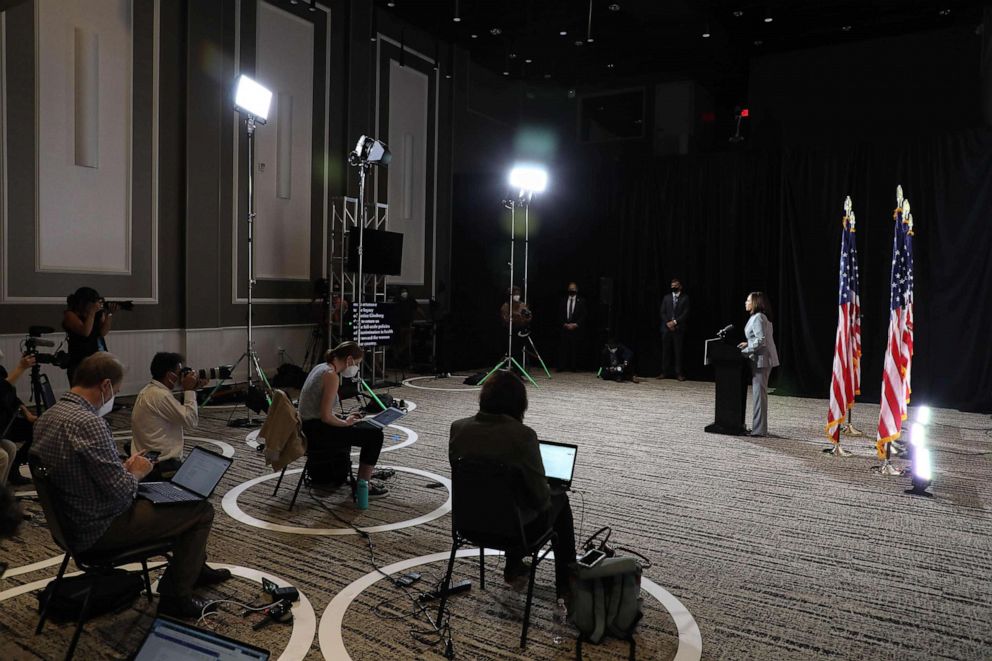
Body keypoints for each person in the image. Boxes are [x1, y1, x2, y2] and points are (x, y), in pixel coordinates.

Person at [31, 352, 230, 617]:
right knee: (200, 509)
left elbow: (84, 472)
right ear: (104, 386)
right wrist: (134, 473)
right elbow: (122, 493)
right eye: (115, 390)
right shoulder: (89, 423)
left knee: (173, 498)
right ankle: (176, 596)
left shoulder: (48, 416)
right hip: (99, 528)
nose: (114, 395)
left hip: (70, 523)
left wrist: (122, 468)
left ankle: (193, 569)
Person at [449, 370, 577, 598]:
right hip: (513, 532)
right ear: (520, 403)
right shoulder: (523, 436)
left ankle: (514, 567)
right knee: (559, 501)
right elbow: (540, 500)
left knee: (505, 496)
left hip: (467, 524)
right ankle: (566, 584)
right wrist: (549, 490)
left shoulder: (458, 428)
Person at [298, 341, 389, 496]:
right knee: (375, 436)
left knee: (364, 429)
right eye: (357, 363)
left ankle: (358, 480)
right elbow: (326, 417)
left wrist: (344, 418)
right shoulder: (331, 376)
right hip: (317, 433)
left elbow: (319, 410)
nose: (356, 368)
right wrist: (345, 422)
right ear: (349, 360)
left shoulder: (320, 368)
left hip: (308, 427)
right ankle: (363, 486)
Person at [131, 353, 207, 480]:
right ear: (170, 375)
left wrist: (192, 389)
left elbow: (180, 413)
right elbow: (191, 420)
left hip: (148, 457)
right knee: (203, 479)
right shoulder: (160, 395)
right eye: (179, 372)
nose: (181, 377)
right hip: (162, 465)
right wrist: (189, 390)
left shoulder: (148, 390)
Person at [738, 292, 780, 436]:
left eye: (748, 300)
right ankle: (759, 428)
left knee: (759, 395)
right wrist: (748, 343)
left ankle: (759, 431)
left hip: (762, 361)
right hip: (761, 359)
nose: (745, 302)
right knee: (759, 395)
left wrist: (747, 350)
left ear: (755, 302)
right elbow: (760, 337)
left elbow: (761, 340)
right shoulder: (759, 317)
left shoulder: (758, 318)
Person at [63, 287, 117, 384]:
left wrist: (109, 314)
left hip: (97, 359)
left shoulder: (96, 315)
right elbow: (85, 332)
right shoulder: (70, 315)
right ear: (84, 302)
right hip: (79, 361)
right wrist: (91, 312)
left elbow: (102, 333)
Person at [0, 350, 38, 485]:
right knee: (8, 448)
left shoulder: (0, 370)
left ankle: (15, 465)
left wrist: (27, 412)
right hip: (3, 423)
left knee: (37, 429)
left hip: (8, 420)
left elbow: (12, 396)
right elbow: (2, 390)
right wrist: (20, 368)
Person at [659, 277, 690, 380]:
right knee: (665, 351)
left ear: (680, 286)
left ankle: (678, 373)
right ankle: (664, 372)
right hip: (666, 328)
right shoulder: (666, 297)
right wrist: (668, 323)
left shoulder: (685, 298)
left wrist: (675, 322)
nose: (673, 287)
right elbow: (662, 312)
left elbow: (685, 313)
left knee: (678, 352)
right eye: (672, 285)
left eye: (675, 285)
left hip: (679, 328)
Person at [558, 282, 587, 372]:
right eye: (570, 288)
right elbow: (559, 314)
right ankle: (561, 366)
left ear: (577, 290)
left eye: (573, 288)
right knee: (563, 348)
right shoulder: (563, 300)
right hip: (565, 328)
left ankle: (574, 367)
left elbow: (584, 315)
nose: (572, 290)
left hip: (576, 329)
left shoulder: (582, 301)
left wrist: (576, 324)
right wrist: (564, 324)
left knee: (575, 348)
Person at [392, 287, 421, 370]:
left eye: (405, 291)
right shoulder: (397, 300)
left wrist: (425, 318)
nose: (404, 293)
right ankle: (396, 357)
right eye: (402, 292)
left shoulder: (411, 300)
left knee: (407, 342)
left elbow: (418, 309)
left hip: (408, 324)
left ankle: (400, 356)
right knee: (399, 342)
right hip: (398, 325)